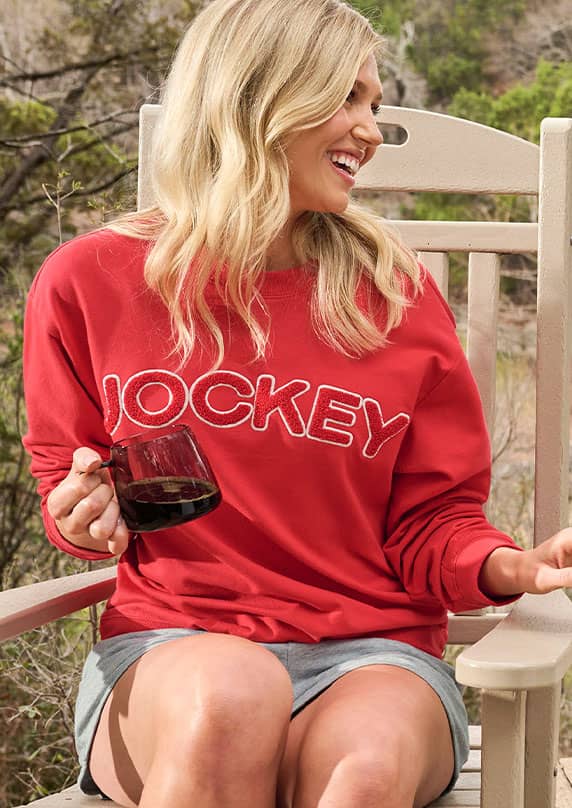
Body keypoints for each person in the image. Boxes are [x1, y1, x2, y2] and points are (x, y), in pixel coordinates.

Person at [21, 0, 572, 806]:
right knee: (230, 700)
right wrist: (81, 514)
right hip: (176, 646)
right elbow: (68, 487)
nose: (372, 130)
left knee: (366, 773)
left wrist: (507, 564)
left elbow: (434, 519)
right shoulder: (88, 283)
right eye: (347, 99)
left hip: (373, 653)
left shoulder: (394, 296)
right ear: (254, 100)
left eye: (374, 104)